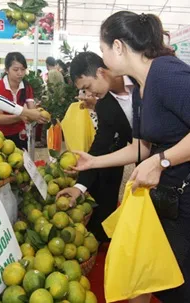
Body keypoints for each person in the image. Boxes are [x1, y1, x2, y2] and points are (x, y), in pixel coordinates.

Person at [71, 11, 190, 303]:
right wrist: (93, 162)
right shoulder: (140, 88)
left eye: (103, 48)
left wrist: (162, 161)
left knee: (180, 288)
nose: (103, 56)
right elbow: (142, 147)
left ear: (118, 46)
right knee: (155, 276)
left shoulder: (168, 74)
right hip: (171, 197)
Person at [57, 51, 132, 243]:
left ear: (100, 72)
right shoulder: (105, 104)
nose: (89, 94)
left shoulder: (140, 81)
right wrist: (80, 187)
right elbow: (100, 145)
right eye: (84, 90)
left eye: (88, 86)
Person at [0, 52, 36, 150]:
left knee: (20, 162)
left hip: (19, 133)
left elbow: (32, 111)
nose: (20, 73)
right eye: (15, 70)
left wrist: (37, 113)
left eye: (23, 69)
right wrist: (21, 116)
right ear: (7, 70)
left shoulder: (26, 87)